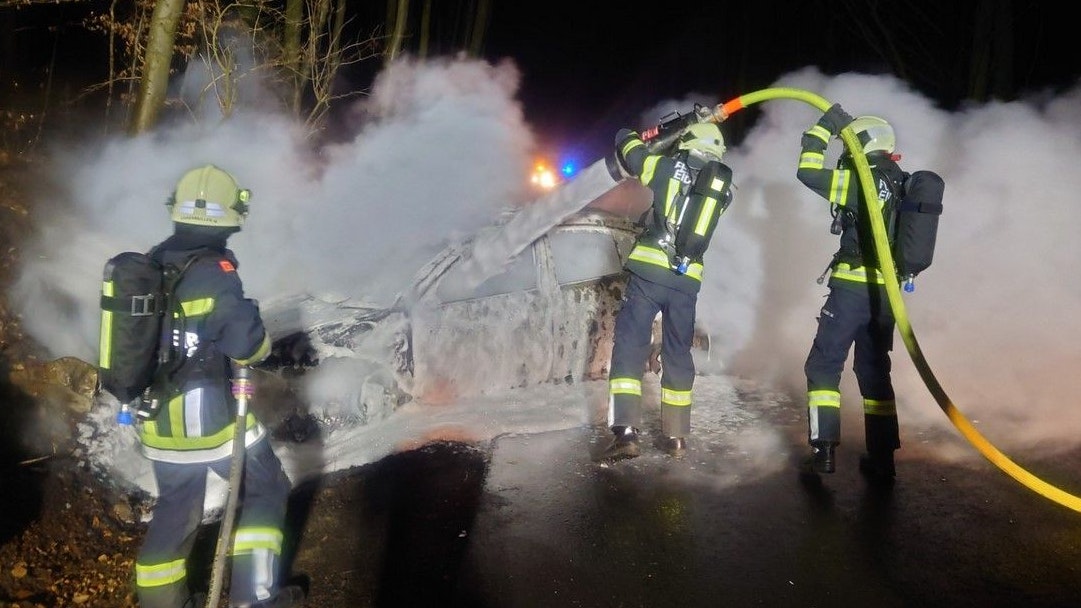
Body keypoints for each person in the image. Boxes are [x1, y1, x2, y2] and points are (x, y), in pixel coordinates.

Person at [132, 165, 299, 608]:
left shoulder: (152, 263)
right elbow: (249, 346)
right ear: (229, 216)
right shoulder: (214, 271)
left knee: (176, 505)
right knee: (266, 488)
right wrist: (254, 330)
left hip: (155, 421)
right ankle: (255, 598)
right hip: (211, 423)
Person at [595, 121, 734, 462]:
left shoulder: (667, 167)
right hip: (686, 283)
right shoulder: (723, 190)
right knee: (677, 353)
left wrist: (629, 133)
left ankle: (626, 433)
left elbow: (632, 152)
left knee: (630, 345)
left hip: (648, 276)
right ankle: (676, 437)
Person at [794, 104, 905, 483]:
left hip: (851, 291)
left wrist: (824, 127)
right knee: (875, 372)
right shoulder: (903, 182)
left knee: (824, 366)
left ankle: (823, 450)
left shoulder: (859, 181)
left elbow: (806, 170)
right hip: (886, 295)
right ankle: (884, 459)